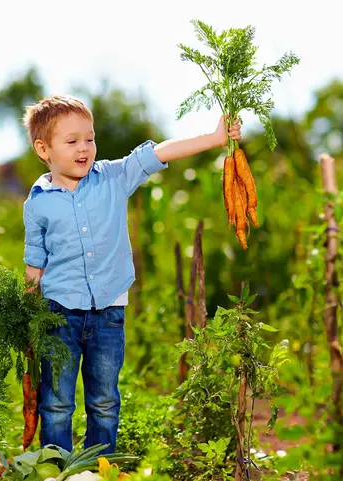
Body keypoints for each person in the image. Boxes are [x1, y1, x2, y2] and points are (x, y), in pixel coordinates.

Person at [21, 94, 241, 454]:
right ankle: (56, 467)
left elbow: (159, 153)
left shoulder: (113, 177)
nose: (84, 148)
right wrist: (27, 315)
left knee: (105, 400)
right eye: (72, 141)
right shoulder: (38, 202)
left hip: (109, 311)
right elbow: (35, 262)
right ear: (44, 149)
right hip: (58, 312)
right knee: (56, 402)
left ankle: (99, 466)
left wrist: (215, 138)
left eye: (89, 138)